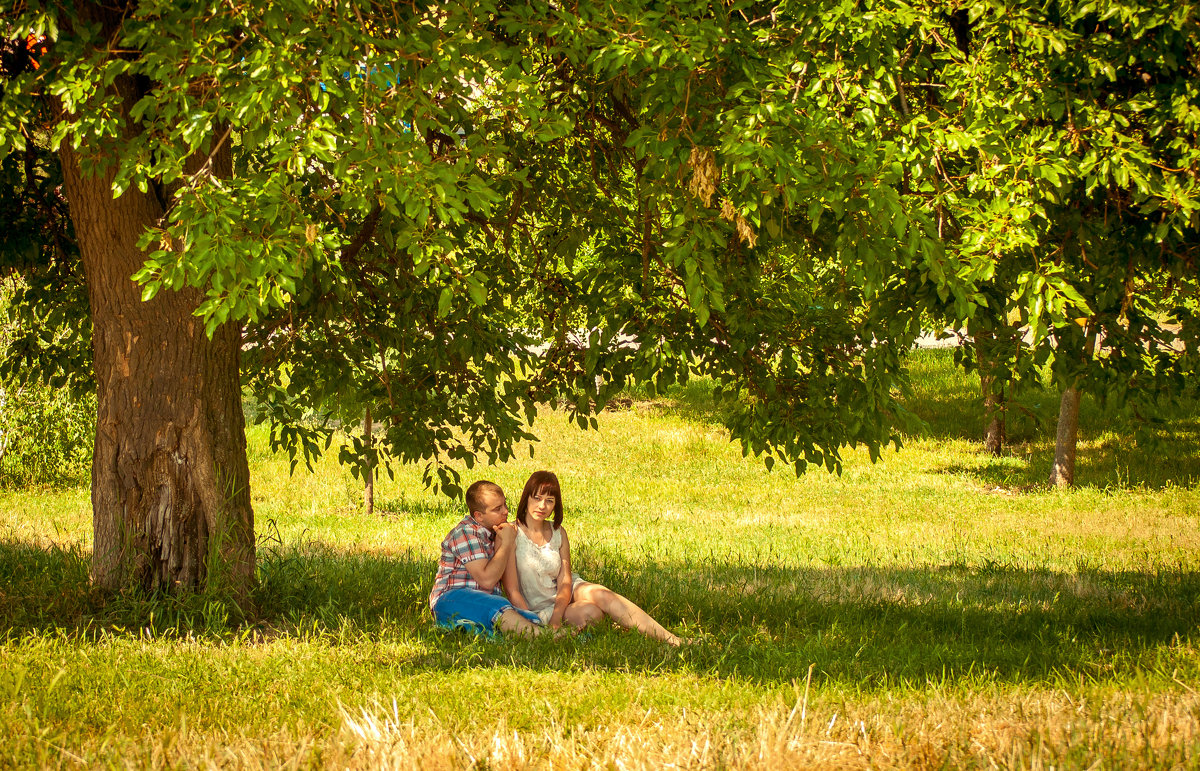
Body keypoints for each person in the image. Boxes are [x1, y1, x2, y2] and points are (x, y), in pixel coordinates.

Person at [502, 470, 681, 646]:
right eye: (537, 498)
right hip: (536, 608)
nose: (542, 506)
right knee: (592, 613)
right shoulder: (511, 533)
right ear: (526, 498)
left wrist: (556, 618)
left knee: (603, 595)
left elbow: (565, 580)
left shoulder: (558, 532)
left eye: (549, 501)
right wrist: (532, 622)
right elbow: (512, 590)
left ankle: (672, 640)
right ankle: (621, 623)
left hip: (564, 596)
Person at [429, 479, 544, 637]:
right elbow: (486, 580)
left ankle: (475, 630)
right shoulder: (465, 533)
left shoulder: (496, 532)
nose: (505, 511)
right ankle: (542, 636)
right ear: (479, 516)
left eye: (505, 504)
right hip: (451, 599)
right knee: (498, 606)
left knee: (526, 617)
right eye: (497, 509)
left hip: (484, 603)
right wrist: (507, 543)